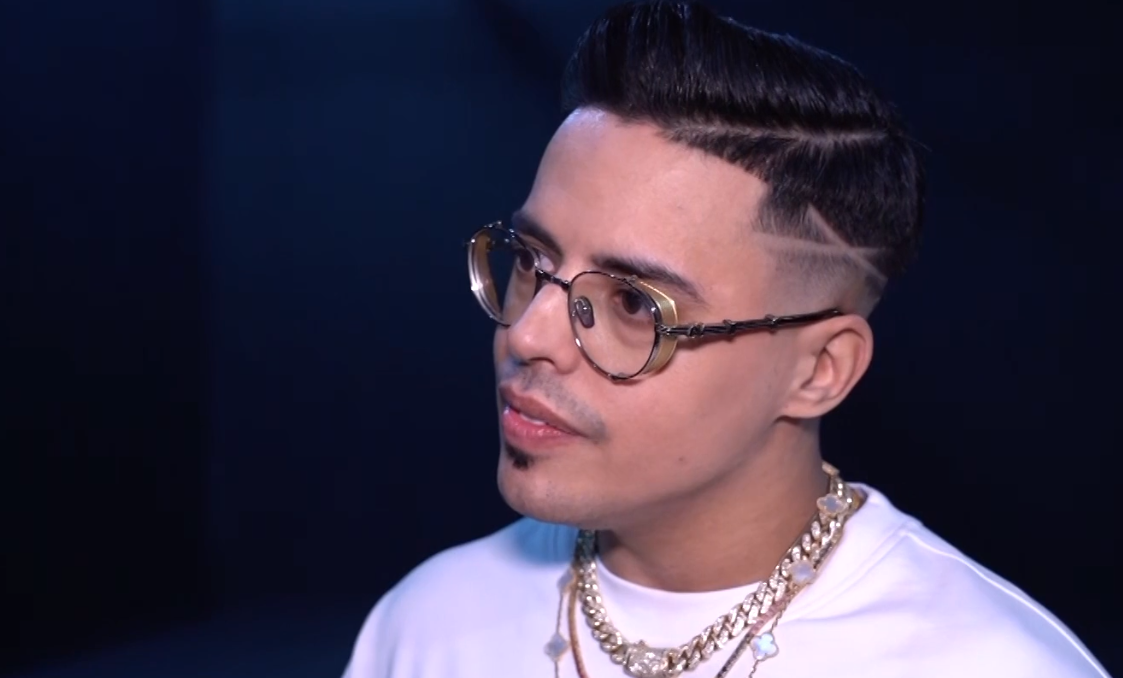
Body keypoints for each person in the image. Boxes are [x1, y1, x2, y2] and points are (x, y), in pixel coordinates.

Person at [342, 2, 1109, 677]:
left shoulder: (988, 663)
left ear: (819, 370)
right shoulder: (426, 627)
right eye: (532, 262)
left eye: (634, 304)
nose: (530, 333)